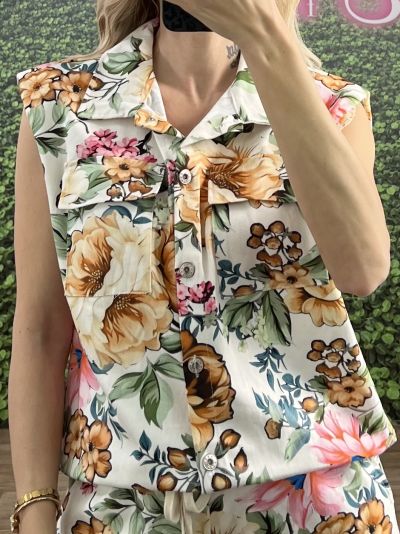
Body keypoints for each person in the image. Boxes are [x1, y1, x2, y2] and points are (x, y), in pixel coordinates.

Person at [9, 0, 399, 532]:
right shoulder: (59, 106)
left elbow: (363, 270)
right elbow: (39, 329)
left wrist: (267, 41)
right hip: (123, 504)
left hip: (315, 498)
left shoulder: (333, 106)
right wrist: (34, 506)